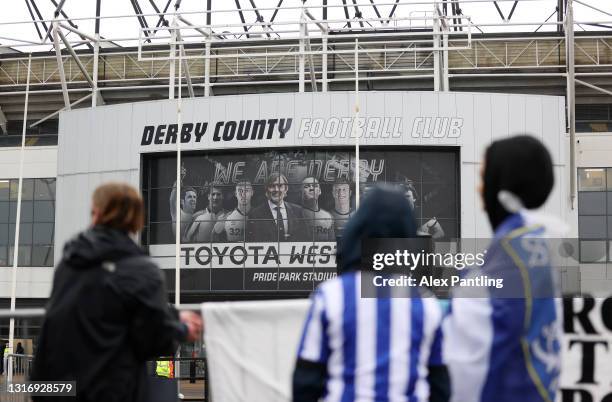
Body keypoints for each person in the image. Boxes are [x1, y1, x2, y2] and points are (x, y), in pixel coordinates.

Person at [31, 182, 202, 402]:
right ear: (137, 219)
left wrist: (174, 318)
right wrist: (182, 328)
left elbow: (105, 310)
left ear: (95, 213)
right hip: (109, 390)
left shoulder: (69, 263)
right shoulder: (142, 271)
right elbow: (153, 338)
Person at [293, 186, 449, 402]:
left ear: (358, 228)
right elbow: (440, 385)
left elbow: (305, 382)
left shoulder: (330, 296)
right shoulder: (425, 303)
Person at [443, 135, 562, 402]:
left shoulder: (503, 265)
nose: (478, 189)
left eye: (485, 178)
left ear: (501, 185)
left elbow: (459, 371)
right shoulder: (540, 248)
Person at [247, 173, 308, 242]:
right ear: (267, 189)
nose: (276, 189)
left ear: (286, 188)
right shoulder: (255, 214)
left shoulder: (298, 211)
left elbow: (304, 238)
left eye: (280, 186)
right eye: (272, 186)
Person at [301, 177, 335, 241]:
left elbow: (332, 243)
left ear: (319, 191)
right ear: (301, 191)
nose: (311, 188)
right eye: (306, 186)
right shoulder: (293, 212)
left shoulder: (328, 217)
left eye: (315, 186)